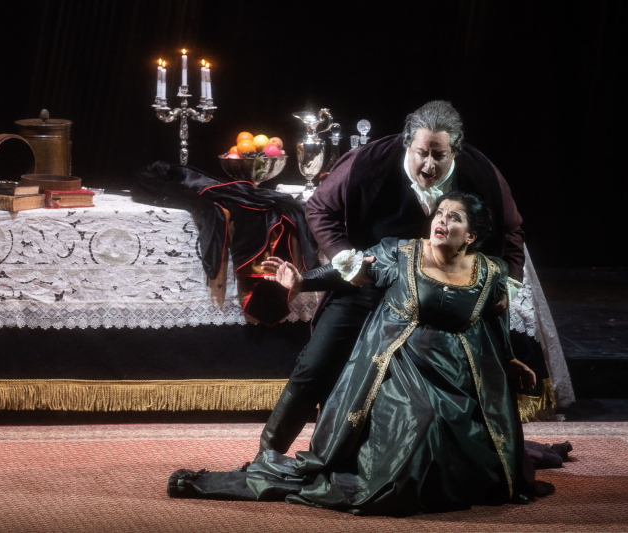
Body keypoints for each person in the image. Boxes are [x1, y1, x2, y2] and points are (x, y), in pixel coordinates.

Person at [168, 192, 538, 515]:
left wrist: (509, 359)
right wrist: (302, 280)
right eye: (439, 213)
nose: (442, 221)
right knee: (422, 420)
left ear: (470, 236)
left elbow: (494, 319)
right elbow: (348, 267)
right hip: (400, 366)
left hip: (455, 373)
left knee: (463, 437)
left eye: (454, 217)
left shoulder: (489, 272)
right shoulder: (400, 254)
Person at [258, 101, 570, 466]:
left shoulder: (481, 172)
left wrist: (508, 285)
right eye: (422, 153)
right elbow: (319, 209)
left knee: (454, 382)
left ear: (456, 150)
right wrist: (348, 261)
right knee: (315, 366)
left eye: (440, 155)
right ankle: (267, 456)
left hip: (437, 297)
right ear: (408, 143)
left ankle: (443, 460)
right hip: (369, 280)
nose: (429, 166)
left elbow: (512, 230)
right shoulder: (368, 162)